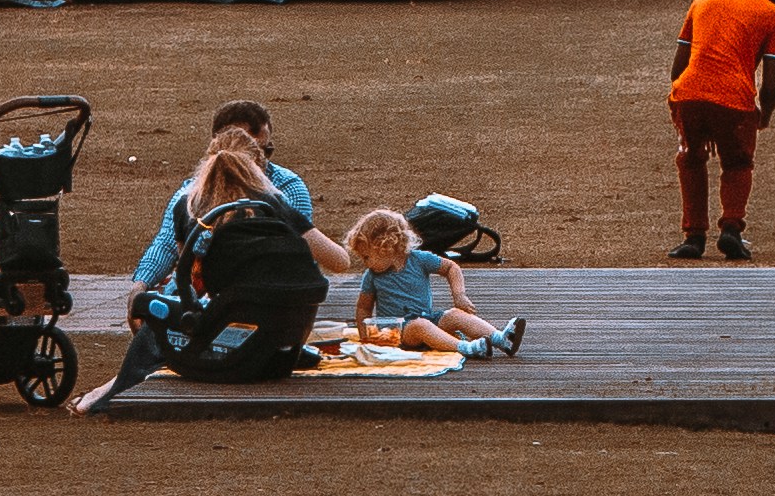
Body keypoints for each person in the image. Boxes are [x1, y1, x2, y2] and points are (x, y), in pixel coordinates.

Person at [109, 126, 361, 397]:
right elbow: (340, 261)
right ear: (259, 167)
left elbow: (192, 277)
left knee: (157, 311)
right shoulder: (274, 204)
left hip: (230, 339)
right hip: (286, 339)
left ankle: (116, 389)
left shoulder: (189, 208)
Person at [130, 99, 309, 311]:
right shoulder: (193, 193)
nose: (261, 160)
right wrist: (140, 285)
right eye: (251, 151)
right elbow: (166, 244)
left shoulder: (286, 188)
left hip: (261, 300)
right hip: (200, 301)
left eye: (266, 150)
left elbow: (296, 255)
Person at [669, 0, 775, 260]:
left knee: (691, 160)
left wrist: (693, 107)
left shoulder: (703, 0)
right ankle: (731, 229)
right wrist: (765, 116)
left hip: (689, 94)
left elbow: (678, 66)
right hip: (733, 99)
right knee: (737, 163)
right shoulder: (773, 15)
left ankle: (693, 237)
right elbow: (771, 84)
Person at [334, 204, 525, 360]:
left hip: (427, 319)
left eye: (367, 257)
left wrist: (459, 295)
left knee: (454, 315)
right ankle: (467, 348)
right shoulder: (373, 276)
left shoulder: (418, 259)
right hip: (399, 332)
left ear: (387, 247)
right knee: (420, 326)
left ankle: (501, 339)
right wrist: (365, 335)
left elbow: (451, 268)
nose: (365, 263)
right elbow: (363, 308)